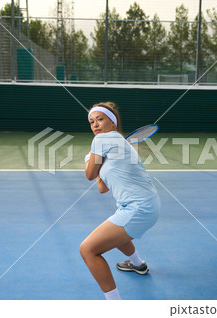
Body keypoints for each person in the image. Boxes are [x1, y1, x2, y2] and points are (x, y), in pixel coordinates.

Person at [79, 102, 160, 300]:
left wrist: (89, 161)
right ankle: (138, 264)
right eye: (91, 122)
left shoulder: (102, 141)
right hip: (146, 205)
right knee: (116, 232)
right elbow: (102, 187)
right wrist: (97, 163)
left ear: (113, 123)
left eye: (100, 119)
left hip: (138, 208)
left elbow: (89, 175)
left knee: (88, 250)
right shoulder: (116, 143)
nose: (95, 125)